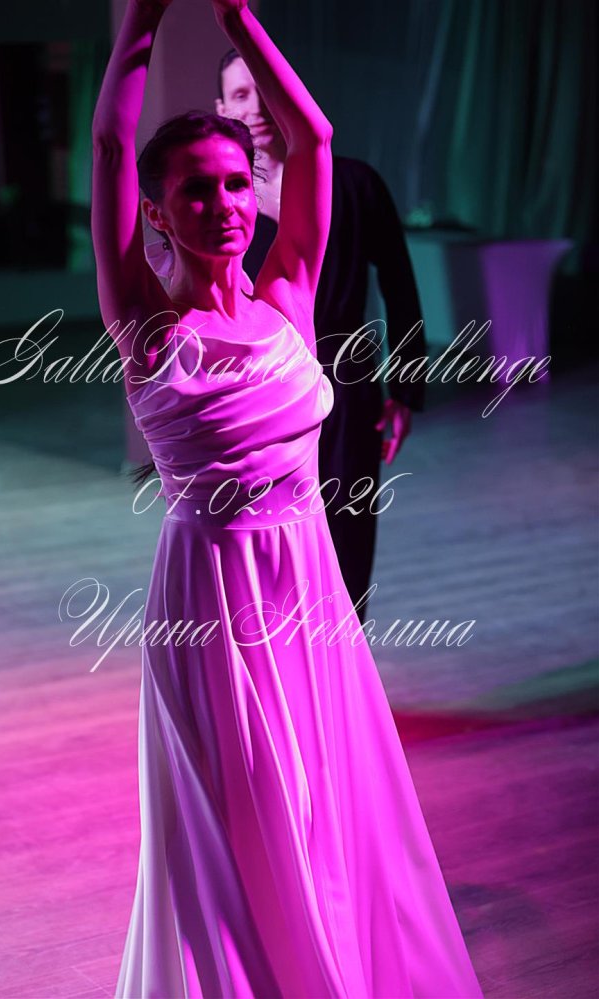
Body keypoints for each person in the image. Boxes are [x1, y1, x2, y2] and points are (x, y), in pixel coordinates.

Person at [92, 0, 483, 996]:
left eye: (234, 183)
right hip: (213, 604)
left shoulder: (289, 296)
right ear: (157, 211)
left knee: (322, 803)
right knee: (239, 823)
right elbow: (109, 145)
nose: (224, 204)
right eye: (196, 190)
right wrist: (143, 25)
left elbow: (313, 137)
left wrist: (237, 17)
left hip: (307, 591)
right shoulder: (147, 324)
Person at [216, 49, 426, 623]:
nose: (256, 107)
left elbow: (400, 285)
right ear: (222, 108)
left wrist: (405, 391)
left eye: (263, 89)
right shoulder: (222, 202)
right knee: (265, 551)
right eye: (240, 95)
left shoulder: (353, 184)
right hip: (257, 397)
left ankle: (342, 667)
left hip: (347, 386)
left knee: (346, 543)